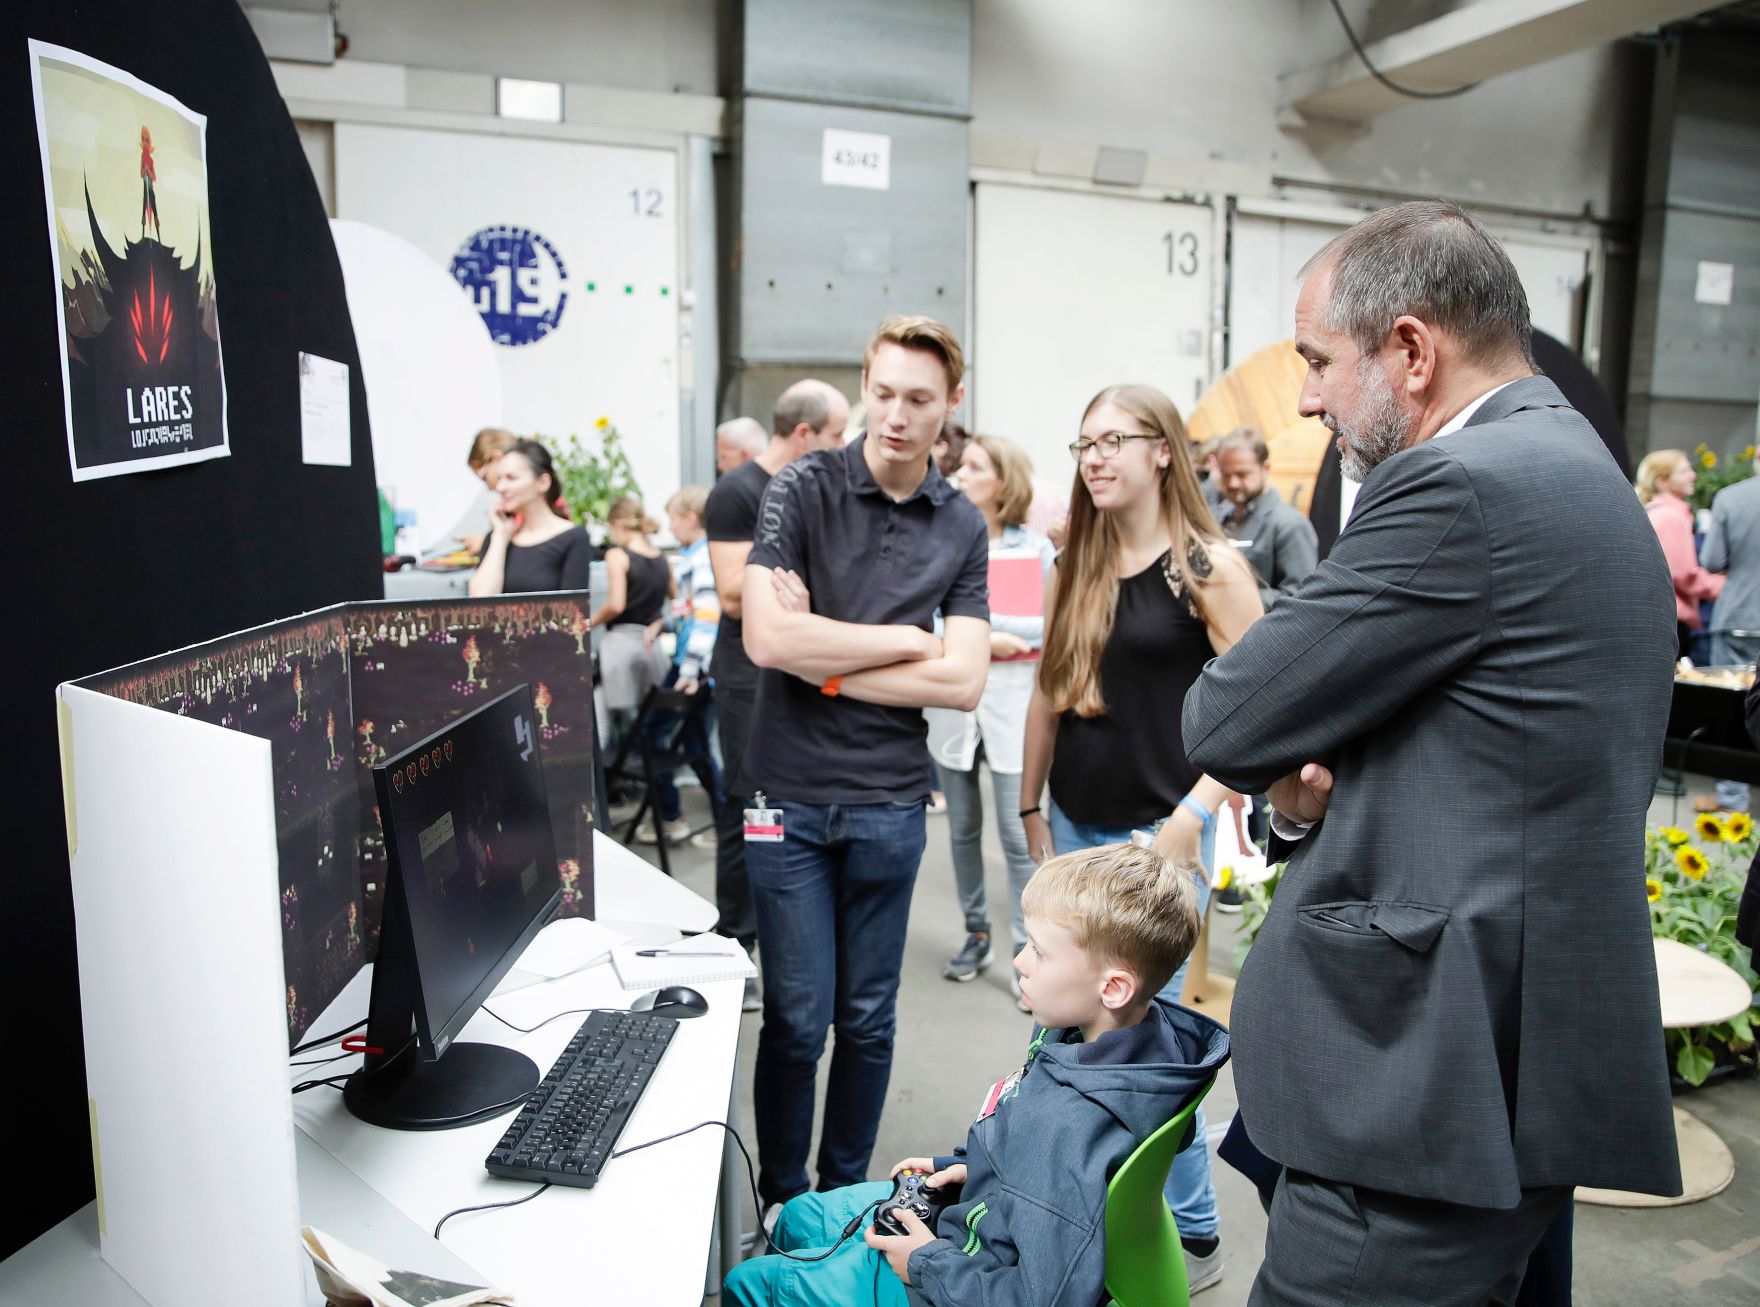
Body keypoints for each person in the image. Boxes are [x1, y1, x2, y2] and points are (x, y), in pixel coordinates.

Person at [1182, 200, 1680, 1307]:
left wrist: (1237, 607)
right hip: (1510, 1051)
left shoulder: (1457, 486)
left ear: (1408, 350)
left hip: (1420, 1078)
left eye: (1317, 360)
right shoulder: (1574, 464)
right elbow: (1481, 752)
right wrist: (1307, 794)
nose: (1304, 394)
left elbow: (1225, 720)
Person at [721, 841, 1228, 1307]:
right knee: (797, 1217)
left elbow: (1042, 1297)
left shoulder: (1066, 1129)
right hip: (991, 1211)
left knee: (751, 1285)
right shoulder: (1120, 1043)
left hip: (963, 1275)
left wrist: (925, 1263)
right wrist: (975, 1163)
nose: (1020, 961)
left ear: (1113, 988)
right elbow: (1039, 1160)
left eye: (1040, 951)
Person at [738, 316, 991, 1209]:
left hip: (888, 801)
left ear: (950, 406)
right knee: (798, 1019)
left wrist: (829, 664)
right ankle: (782, 1197)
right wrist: (898, 642)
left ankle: (842, 1200)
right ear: (865, 383)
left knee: (869, 1019)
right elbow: (768, 637)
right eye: (881, 392)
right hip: (788, 799)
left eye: (918, 399)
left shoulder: (961, 523)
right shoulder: (801, 486)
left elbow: (962, 681)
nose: (894, 414)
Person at [1018, 383, 1262, 1294]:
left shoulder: (1206, 565)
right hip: (1075, 831)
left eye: (1113, 439)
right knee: (1064, 1039)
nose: (1095, 457)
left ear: (1163, 449)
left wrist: (1189, 819)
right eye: (1083, 443)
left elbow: (1265, 707)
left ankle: (1192, 1236)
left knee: (1139, 1056)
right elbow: (1048, 690)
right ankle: (1073, 1215)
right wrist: (1030, 806)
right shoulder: (1071, 562)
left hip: (1158, 841)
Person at [704, 380, 851, 1008]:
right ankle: (734, 951)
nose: (847, 447)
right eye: (838, 434)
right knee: (747, 812)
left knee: (799, 813)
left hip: (806, 669)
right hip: (747, 677)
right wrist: (798, 587)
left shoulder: (822, 489)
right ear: (804, 433)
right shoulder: (737, 492)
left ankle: (795, 948)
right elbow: (734, 594)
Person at [927, 435, 1056, 996]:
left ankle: (1031, 955)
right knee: (960, 828)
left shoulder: (1035, 549)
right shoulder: (941, 542)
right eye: (960, 466)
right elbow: (923, 621)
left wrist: (977, 629)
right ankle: (975, 932)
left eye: (975, 467)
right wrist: (988, 635)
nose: (959, 474)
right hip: (955, 703)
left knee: (1017, 830)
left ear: (1003, 481)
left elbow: (1049, 624)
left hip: (1015, 705)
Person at [639, 485, 721, 846]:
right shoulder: (697, 555)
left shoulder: (702, 559)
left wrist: (688, 670)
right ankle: (724, 821)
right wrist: (665, 623)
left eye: (673, 518)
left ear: (690, 518)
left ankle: (672, 817)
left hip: (694, 667)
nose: (669, 527)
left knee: (651, 733)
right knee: (695, 745)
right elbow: (691, 611)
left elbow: (707, 618)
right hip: (700, 666)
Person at [589, 495, 674, 748]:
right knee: (643, 722)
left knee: (602, 718)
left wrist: (589, 622)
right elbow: (677, 598)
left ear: (618, 524)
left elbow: (617, 604)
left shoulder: (618, 555)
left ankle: (605, 782)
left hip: (621, 646)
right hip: (652, 650)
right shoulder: (663, 559)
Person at [1701, 451, 1760, 811]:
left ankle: (1732, 798)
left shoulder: (1731, 497)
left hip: (1737, 613)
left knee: (1731, 709)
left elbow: (1711, 561)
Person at [467, 440, 593, 595]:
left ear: (543, 482)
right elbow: (479, 605)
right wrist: (500, 537)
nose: (500, 487)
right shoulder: (497, 537)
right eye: (499, 479)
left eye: (511, 478)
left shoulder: (573, 538)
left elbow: (573, 613)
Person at [1211, 428, 1319, 608]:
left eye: (1242, 474)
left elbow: (1301, 598)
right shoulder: (1217, 518)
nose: (1232, 483)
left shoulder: (1290, 525)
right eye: (1226, 474)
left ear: (1265, 468)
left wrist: (1232, 596)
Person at [1637, 449, 1723, 656]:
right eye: (1684, 471)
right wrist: (1725, 587)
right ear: (1662, 481)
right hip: (1674, 619)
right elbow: (1683, 575)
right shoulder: (1670, 517)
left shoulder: (1655, 512)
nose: (1692, 475)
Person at [456, 427, 520, 557]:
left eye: (485, 478)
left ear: (497, 457)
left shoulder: (526, 501)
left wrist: (486, 543)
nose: (489, 488)